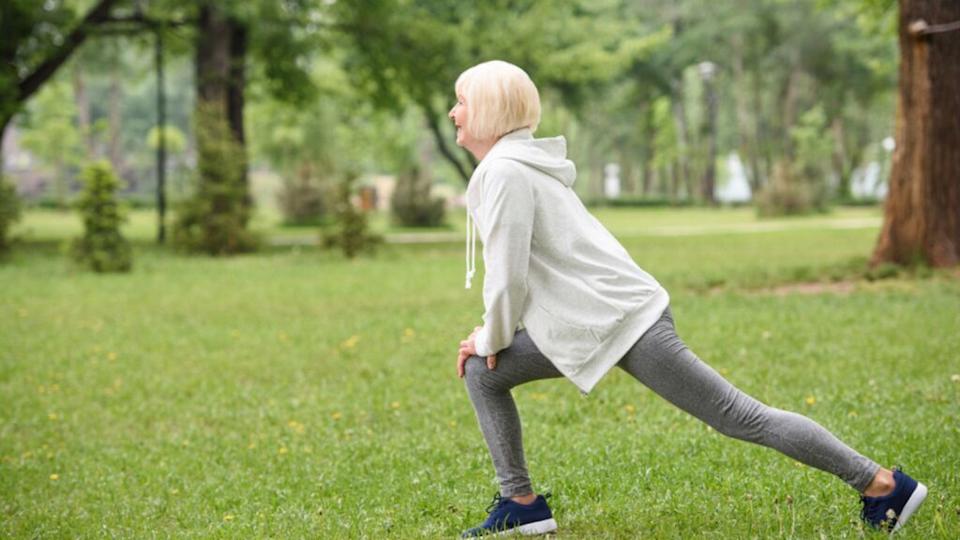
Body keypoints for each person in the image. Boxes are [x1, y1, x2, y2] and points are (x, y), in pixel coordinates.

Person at [449, 60, 927, 538]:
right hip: (596, 323)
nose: (454, 113)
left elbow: (508, 279)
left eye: (463, 102)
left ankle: (883, 485)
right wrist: (491, 342)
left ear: (490, 110)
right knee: (482, 374)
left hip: (626, 324)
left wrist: (488, 339)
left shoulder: (507, 174)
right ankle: (521, 503)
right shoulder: (517, 168)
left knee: (741, 417)